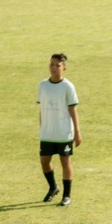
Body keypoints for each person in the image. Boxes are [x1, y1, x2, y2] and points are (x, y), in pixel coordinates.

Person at [38, 53, 81, 207]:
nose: (54, 68)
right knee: (44, 161)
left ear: (64, 67)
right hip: (47, 133)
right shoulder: (42, 85)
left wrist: (77, 132)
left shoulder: (68, 86)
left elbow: (72, 109)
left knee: (65, 160)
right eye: (51, 64)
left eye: (57, 65)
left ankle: (66, 195)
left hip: (63, 133)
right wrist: (41, 128)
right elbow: (41, 109)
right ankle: (53, 187)